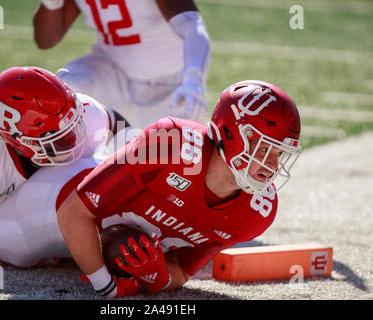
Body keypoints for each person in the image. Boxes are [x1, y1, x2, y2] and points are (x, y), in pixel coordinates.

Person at [56, 80, 302, 297]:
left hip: (98, 237)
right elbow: (72, 212)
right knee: (18, 247)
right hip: (56, 209)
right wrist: (106, 286)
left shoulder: (256, 213)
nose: (272, 165)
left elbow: (182, 271)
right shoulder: (170, 143)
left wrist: (159, 276)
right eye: (265, 149)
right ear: (231, 134)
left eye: (279, 153)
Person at [0, 66, 130, 264]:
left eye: (75, 124)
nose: (74, 140)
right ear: (20, 142)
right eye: (58, 139)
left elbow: (121, 128)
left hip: (16, 190)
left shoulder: (86, 111)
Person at [33, 0, 211, 129]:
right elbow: (45, 40)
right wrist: (52, 3)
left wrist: (193, 78)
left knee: (173, 166)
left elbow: (192, 25)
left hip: (169, 86)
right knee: (68, 87)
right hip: (113, 74)